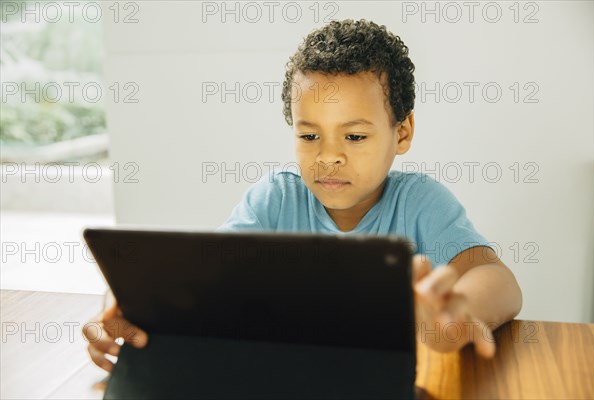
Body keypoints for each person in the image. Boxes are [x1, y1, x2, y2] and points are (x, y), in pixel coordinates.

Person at [85, 19, 522, 372]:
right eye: (309, 134)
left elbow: (499, 281)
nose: (328, 157)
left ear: (402, 132)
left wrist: (459, 317)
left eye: (354, 135)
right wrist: (127, 296)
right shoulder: (275, 199)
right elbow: (201, 273)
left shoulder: (421, 202)